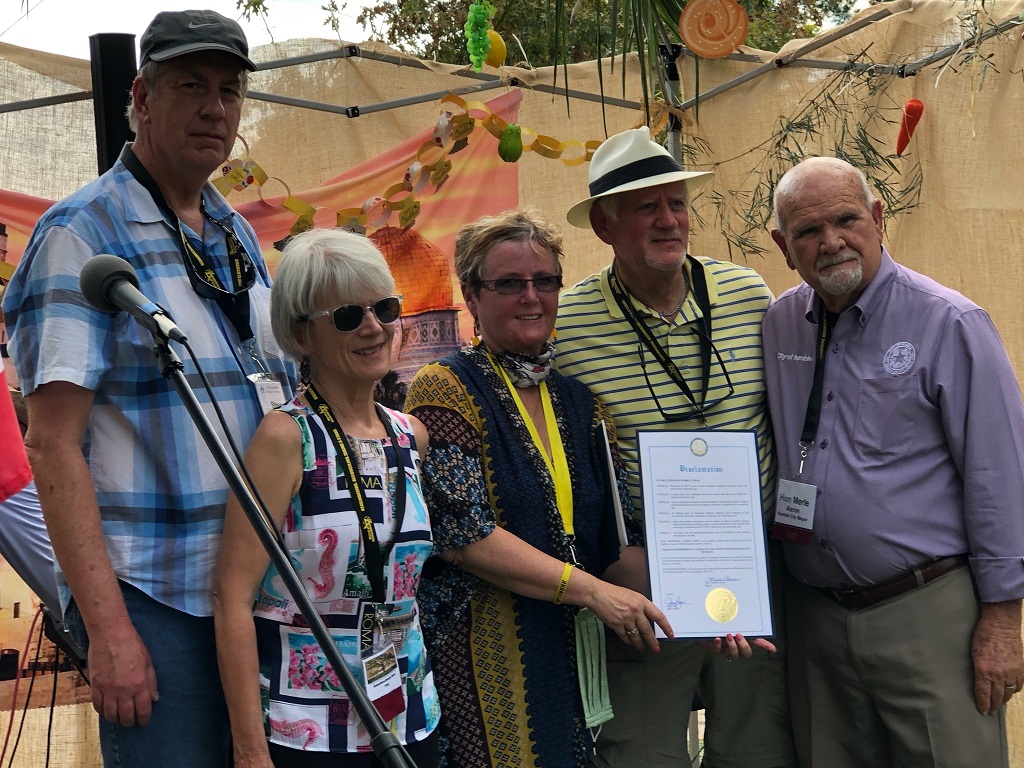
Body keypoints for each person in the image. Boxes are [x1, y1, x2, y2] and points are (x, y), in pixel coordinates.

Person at [0, 10, 294, 767]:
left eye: (229, 92)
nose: (214, 108)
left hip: (254, 588)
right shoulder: (81, 234)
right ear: (142, 97)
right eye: (191, 86)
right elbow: (51, 440)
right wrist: (110, 632)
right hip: (154, 600)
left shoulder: (235, 232)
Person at [405, 209, 763, 768]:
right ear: (472, 296)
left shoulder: (581, 404)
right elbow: (462, 533)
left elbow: (617, 545)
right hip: (484, 652)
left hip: (569, 652)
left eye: (544, 281)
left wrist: (711, 607)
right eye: (509, 284)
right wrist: (593, 593)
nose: (531, 297)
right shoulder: (443, 387)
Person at [763, 155, 1024, 768]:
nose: (830, 242)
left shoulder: (949, 321)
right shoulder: (779, 326)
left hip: (927, 614)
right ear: (782, 245)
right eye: (807, 231)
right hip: (817, 621)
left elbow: (1000, 479)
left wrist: (1004, 621)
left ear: (879, 219)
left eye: (846, 219)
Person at [555, 127, 796, 768]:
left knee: (757, 749)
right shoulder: (568, 326)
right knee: (640, 752)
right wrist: (609, 558)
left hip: (757, 576)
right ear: (604, 227)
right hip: (645, 588)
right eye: (645, 207)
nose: (669, 221)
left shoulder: (747, 295)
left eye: (677, 203)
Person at [214, 228, 440, 767]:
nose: (372, 327)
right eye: (346, 316)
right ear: (301, 334)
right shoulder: (285, 438)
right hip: (307, 731)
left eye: (384, 308)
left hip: (407, 717)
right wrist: (249, 751)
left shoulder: (410, 435)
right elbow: (231, 597)